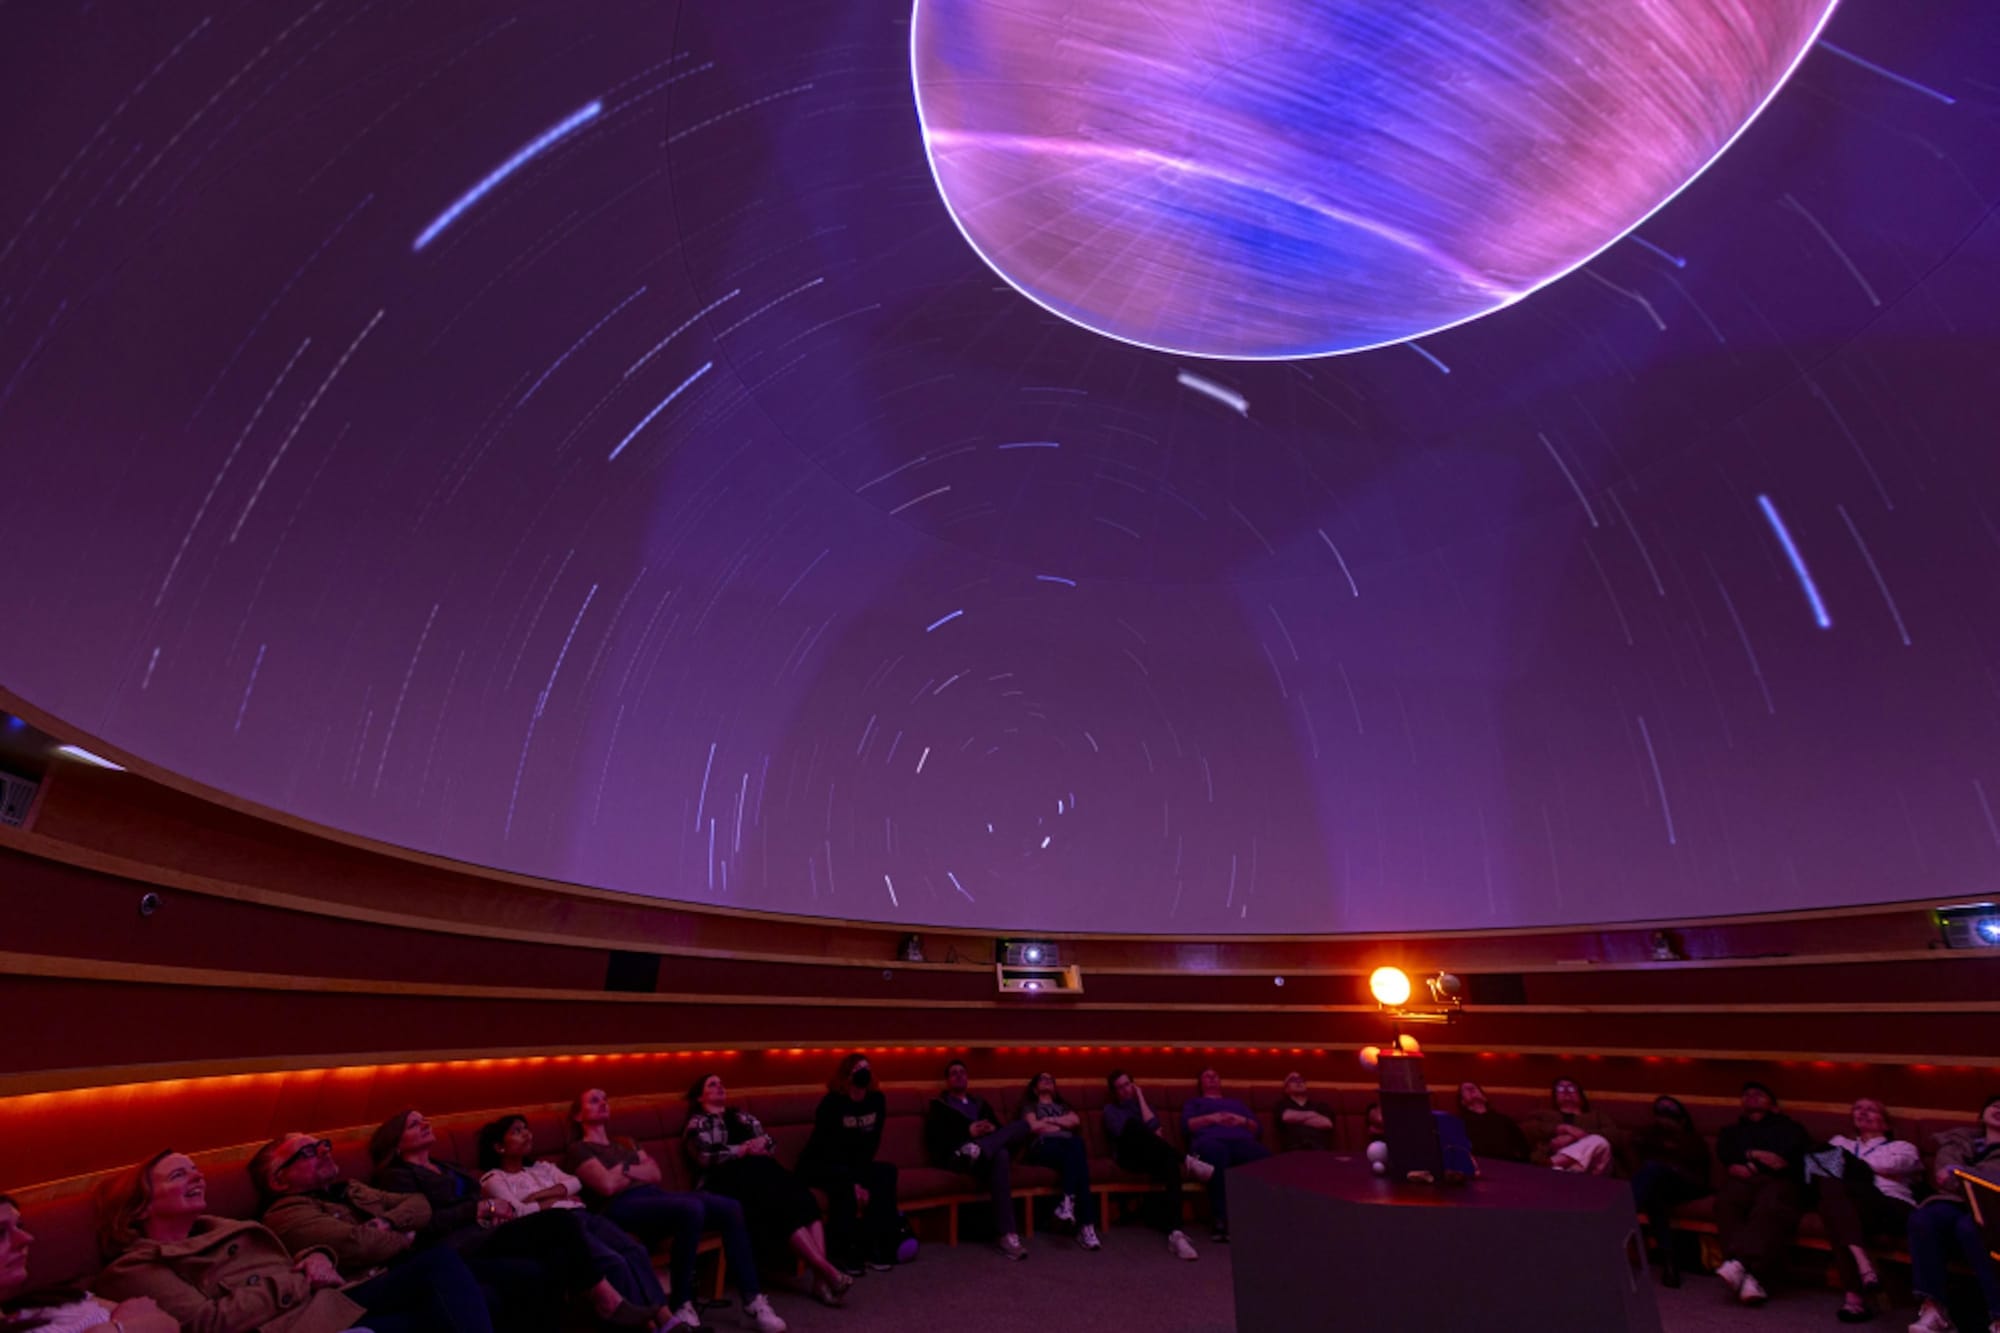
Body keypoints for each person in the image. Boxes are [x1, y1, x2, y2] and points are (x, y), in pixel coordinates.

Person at [94, 1149, 495, 1333]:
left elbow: (283, 1257)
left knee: (461, 1284)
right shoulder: (134, 1268)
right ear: (139, 1207)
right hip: (296, 1321)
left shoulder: (219, 1226)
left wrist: (316, 1256)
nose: (198, 1177)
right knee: (440, 1275)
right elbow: (206, 1323)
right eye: (179, 1175)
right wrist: (302, 1278)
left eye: (196, 1170)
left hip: (324, 1298)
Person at [365, 1112, 657, 1330]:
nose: (425, 1124)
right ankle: (607, 1301)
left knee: (556, 1253)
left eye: (424, 1120)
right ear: (397, 1143)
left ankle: (607, 1312)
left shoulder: (447, 1166)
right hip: (455, 1248)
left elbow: (482, 1200)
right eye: (414, 1124)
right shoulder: (397, 1176)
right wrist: (479, 1209)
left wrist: (492, 1210)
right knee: (558, 1224)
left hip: (486, 1234)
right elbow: (417, 1223)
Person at [564, 1089, 786, 1333]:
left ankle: (753, 1300)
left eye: (605, 1099)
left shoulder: (625, 1142)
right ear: (578, 1115)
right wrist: (635, 1169)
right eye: (594, 1100)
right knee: (691, 1208)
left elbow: (655, 1174)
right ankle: (681, 1303)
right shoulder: (579, 1149)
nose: (603, 1103)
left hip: (654, 1196)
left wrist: (622, 1170)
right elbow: (606, 1186)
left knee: (730, 1207)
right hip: (619, 1206)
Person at [473, 1117, 670, 1321]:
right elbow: (518, 1212)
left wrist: (538, 1196)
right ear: (499, 1147)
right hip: (559, 1229)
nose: (526, 1134)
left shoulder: (542, 1167)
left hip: (582, 1214)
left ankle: (666, 1317)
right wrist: (557, 1198)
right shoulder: (493, 1179)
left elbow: (576, 1182)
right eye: (517, 1131)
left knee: (636, 1251)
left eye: (526, 1129)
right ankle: (646, 1325)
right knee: (614, 1262)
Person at [680, 1075, 849, 1307]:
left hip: (762, 1170)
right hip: (726, 1179)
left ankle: (821, 1280)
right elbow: (704, 1156)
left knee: (805, 1199)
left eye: (721, 1083)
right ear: (700, 1097)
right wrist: (742, 1149)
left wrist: (761, 1145)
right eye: (712, 1084)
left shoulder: (741, 1115)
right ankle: (828, 1271)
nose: (720, 1086)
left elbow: (769, 1140)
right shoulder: (697, 1122)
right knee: (780, 1206)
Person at [0, 1192, 176, 1333]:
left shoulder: (52, 1298)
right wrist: (117, 1327)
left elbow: (167, 1323)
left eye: (19, 1226)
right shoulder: (133, 1266)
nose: (26, 1238)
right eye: (0, 1233)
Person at [1814, 1098, 1921, 1323]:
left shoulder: (1902, 1147)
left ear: (1886, 1124)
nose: (1863, 1112)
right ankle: (1863, 1270)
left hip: (1890, 1204)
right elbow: (1817, 1167)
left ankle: (1855, 1292)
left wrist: (1847, 1165)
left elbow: (1893, 1165)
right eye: (1858, 1109)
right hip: (1853, 1208)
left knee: (1835, 1196)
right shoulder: (1839, 1141)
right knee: (1833, 1195)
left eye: (1871, 1110)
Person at [797, 1056, 900, 1275]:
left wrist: (860, 1178)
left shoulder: (877, 1100)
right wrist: (854, 1182)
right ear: (846, 1074)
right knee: (843, 1182)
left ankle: (874, 1247)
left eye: (867, 1068)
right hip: (819, 1163)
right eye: (858, 1068)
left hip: (855, 1165)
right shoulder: (832, 1103)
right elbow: (827, 1148)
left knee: (886, 1173)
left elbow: (872, 1144)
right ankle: (842, 1253)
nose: (864, 1072)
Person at [1906, 1094, 2000, 1333]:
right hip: (1953, 1201)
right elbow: (1944, 1177)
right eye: (1994, 1105)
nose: (1999, 1109)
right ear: (1981, 1115)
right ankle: (1933, 1309)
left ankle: (1998, 1315)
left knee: (1971, 1227)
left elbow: (1991, 1182)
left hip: (1992, 1206)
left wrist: (1961, 1173)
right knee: (1923, 1219)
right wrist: (1964, 1177)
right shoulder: (1957, 1140)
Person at [1713, 1081, 1810, 1307]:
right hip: (1744, 1181)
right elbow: (1725, 1152)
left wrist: (1750, 1163)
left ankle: (1743, 1266)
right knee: (1726, 1202)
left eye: (1759, 1094)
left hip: (1780, 1181)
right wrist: (1754, 1154)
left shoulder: (1790, 1128)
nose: (1752, 1096)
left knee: (1770, 1206)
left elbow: (1785, 1159)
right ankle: (1750, 1278)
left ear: (1774, 1106)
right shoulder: (1731, 1131)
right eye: (1747, 1094)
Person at [922, 1060, 1031, 1261]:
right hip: (959, 1157)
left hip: (983, 1156)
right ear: (947, 1080)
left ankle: (980, 1148)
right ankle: (1007, 1234)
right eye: (954, 1073)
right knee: (1000, 1155)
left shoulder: (980, 1104)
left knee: (1022, 1128)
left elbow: (1001, 1131)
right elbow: (935, 1141)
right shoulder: (939, 1106)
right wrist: (967, 1132)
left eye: (962, 1072)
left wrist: (992, 1129)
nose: (959, 1075)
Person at [1102, 1070, 1209, 1262]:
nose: (1125, 1090)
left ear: (1133, 1085)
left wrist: (1140, 1097)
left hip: (1150, 1156)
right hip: (1128, 1157)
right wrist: (1150, 1133)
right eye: (1119, 1088)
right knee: (1133, 1125)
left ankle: (1176, 1234)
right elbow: (1127, 1134)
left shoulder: (1145, 1106)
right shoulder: (1110, 1110)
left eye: (1127, 1085)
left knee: (1170, 1163)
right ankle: (1187, 1160)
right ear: (1114, 1092)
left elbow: (1154, 1128)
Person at [1627, 1097, 1713, 1288]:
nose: (1664, 1120)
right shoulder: (1647, 1135)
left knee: (1653, 1170)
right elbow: (1632, 1149)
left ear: (1682, 1120)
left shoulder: (1692, 1139)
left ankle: (1623, 1213)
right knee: (1655, 1196)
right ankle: (1670, 1262)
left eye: (1669, 1116)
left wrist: (1666, 1156)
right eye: (1660, 1115)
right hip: (1658, 1187)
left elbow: (1696, 1169)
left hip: (1687, 1185)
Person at [1180, 1068, 1271, 1243]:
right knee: (1217, 1156)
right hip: (1209, 1141)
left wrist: (1241, 1120)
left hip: (1241, 1141)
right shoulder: (1195, 1103)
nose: (1212, 1078)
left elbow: (1258, 1129)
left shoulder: (1237, 1104)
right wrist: (1212, 1118)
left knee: (1264, 1157)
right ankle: (1220, 1219)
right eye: (1207, 1076)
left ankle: (1262, 1219)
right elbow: (1186, 1126)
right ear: (1201, 1083)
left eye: (1215, 1075)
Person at [1015, 1073, 1100, 1251]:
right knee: (1076, 1150)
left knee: (1076, 1145)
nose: (1048, 1081)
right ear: (1034, 1088)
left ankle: (1069, 1205)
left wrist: (1049, 1120)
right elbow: (1033, 1126)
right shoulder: (1030, 1106)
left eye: (1051, 1079)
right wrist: (1061, 1125)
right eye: (1043, 1079)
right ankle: (1085, 1224)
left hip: (1067, 1147)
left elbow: (1075, 1121)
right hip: (1042, 1147)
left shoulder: (1062, 1106)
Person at [1524, 1077, 1622, 1175]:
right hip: (1557, 1160)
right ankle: (1567, 1173)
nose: (1566, 1091)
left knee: (1599, 1141)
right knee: (1563, 1170)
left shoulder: (1597, 1116)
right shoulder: (1543, 1115)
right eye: (1560, 1089)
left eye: (1571, 1088)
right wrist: (1560, 1128)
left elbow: (1616, 1136)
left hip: (1593, 1167)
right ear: (1555, 1096)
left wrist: (1575, 1137)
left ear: (1581, 1095)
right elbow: (1525, 1130)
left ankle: (1552, 1163)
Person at [1455, 1083, 1531, 1164]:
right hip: (1478, 1164)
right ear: (1462, 1102)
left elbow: (1523, 1146)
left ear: (1484, 1098)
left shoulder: (1504, 1119)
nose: (1470, 1088)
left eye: (1474, 1087)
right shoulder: (1458, 1122)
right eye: (1465, 1089)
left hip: (1507, 1163)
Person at [1274, 1074, 1336, 1153]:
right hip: (1293, 1149)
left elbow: (1327, 1123)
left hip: (1319, 1148)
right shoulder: (1282, 1104)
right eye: (1293, 1080)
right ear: (1286, 1089)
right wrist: (1312, 1114)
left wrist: (1296, 1119)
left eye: (1301, 1079)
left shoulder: (1320, 1105)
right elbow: (1286, 1117)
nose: (1298, 1081)